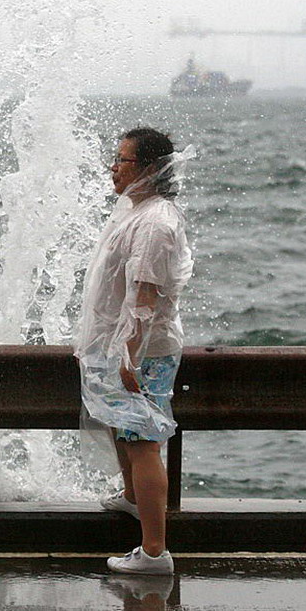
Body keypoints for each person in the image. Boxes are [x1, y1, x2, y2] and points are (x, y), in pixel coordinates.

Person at [73, 127, 194, 575]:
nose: (113, 167)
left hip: (141, 351)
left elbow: (146, 295)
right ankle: (130, 497)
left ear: (147, 169)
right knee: (124, 429)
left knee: (144, 441)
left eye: (122, 160)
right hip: (119, 343)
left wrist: (128, 353)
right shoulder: (136, 211)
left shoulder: (156, 224)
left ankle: (155, 553)